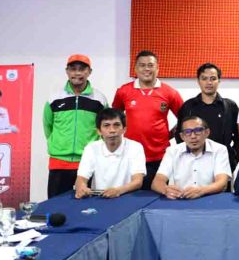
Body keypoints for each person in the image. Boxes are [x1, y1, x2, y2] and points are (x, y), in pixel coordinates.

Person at [112, 50, 184, 190]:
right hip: (130, 155)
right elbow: (113, 118)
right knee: (130, 195)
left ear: (157, 68)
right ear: (135, 68)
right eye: (142, 65)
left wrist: (170, 134)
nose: (146, 69)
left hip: (160, 156)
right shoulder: (123, 91)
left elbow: (185, 120)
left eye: (150, 65)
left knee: (158, 196)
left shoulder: (170, 92)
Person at [44, 54, 108, 198]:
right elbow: (48, 127)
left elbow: (105, 127)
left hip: (87, 161)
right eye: (73, 69)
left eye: (82, 69)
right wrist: (59, 145)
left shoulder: (99, 99)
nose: (77, 73)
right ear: (67, 71)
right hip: (59, 162)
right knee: (56, 204)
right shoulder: (54, 98)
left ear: (89, 72)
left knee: (85, 205)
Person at [176, 63, 239, 170]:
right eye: (204, 78)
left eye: (213, 78)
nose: (209, 82)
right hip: (193, 163)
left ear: (219, 81)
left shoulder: (230, 106)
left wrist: (234, 158)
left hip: (223, 163)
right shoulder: (188, 106)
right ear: (198, 81)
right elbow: (180, 134)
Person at [151, 115, 231, 200]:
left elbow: (222, 183)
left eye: (198, 131)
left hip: (209, 198)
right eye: (187, 132)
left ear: (207, 132)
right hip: (180, 199)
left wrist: (201, 191)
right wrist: (166, 190)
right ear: (182, 136)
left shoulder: (219, 149)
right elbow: (157, 182)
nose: (193, 136)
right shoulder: (172, 151)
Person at [74, 108, 146, 199]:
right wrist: (82, 187)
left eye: (116, 125)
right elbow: (81, 178)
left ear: (124, 129)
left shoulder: (135, 147)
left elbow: (138, 181)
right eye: (106, 125)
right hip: (99, 198)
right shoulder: (91, 148)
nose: (112, 130)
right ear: (99, 131)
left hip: (126, 197)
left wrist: (118, 191)